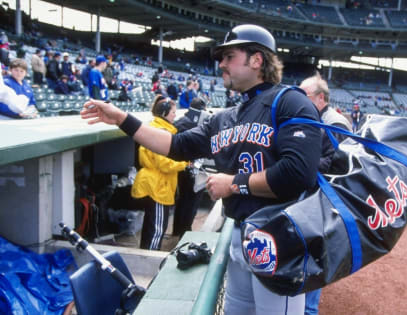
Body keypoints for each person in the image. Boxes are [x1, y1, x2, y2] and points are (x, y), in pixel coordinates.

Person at [81, 24, 322, 314]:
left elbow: (298, 174)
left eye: (229, 56)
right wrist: (122, 118)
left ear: (257, 60)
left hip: (279, 237)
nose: (220, 64)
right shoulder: (225, 117)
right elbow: (175, 144)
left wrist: (233, 184)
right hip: (238, 233)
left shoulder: (290, 102)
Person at [299, 72, 352, 315]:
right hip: (314, 198)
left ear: (320, 98)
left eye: (304, 95)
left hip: (325, 201)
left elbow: (337, 166)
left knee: (315, 257)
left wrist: (303, 164)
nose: (299, 100)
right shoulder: (317, 118)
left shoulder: (334, 123)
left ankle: (308, 311)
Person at [130, 95, 188, 250]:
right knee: (157, 228)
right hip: (157, 186)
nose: (175, 115)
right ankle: (150, 260)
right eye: (173, 112)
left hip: (158, 184)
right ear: (164, 114)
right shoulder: (160, 132)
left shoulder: (156, 129)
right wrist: (185, 162)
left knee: (152, 225)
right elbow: (164, 163)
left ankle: (146, 254)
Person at [172, 97, 211, 238]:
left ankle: (178, 230)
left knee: (182, 200)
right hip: (190, 167)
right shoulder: (197, 124)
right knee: (191, 201)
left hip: (180, 168)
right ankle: (184, 231)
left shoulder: (179, 122)